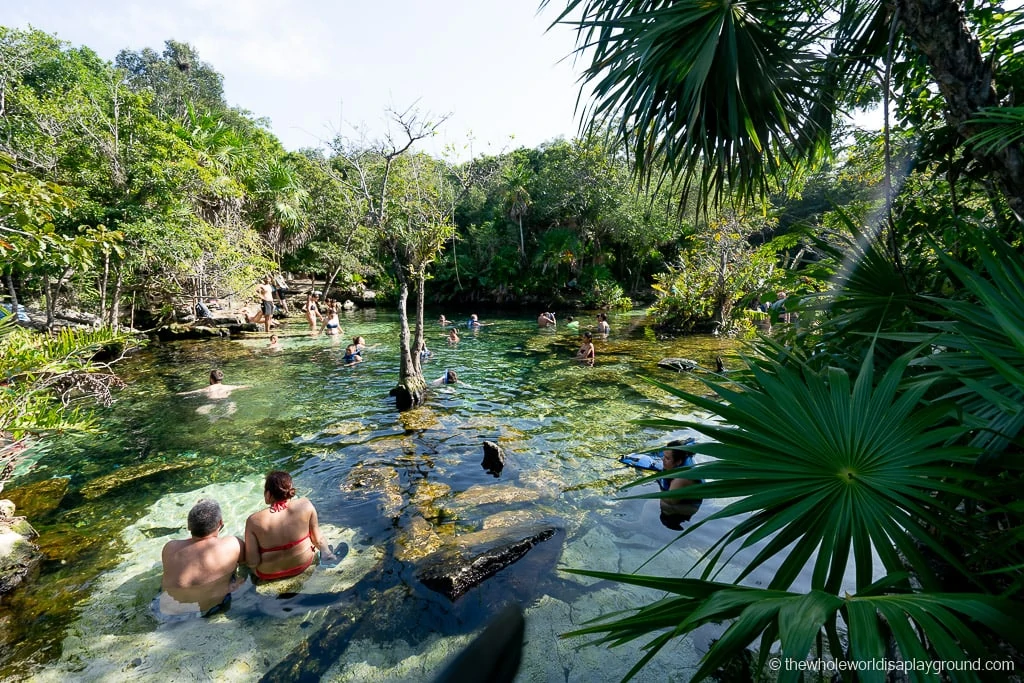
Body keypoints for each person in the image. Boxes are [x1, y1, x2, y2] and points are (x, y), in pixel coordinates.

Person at [159, 499, 245, 616]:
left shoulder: (170, 547)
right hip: (209, 611)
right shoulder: (233, 544)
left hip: (166, 612)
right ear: (220, 523)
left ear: (189, 526)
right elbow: (247, 564)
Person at [244, 471, 334, 582]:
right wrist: (327, 552)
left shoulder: (253, 521)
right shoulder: (305, 505)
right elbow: (317, 540)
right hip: (303, 564)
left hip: (267, 573)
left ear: (268, 494)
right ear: (291, 490)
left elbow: (253, 562)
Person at [658, 439, 703, 524]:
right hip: (684, 498)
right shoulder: (684, 455)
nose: (662, 459)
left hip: (690, 507)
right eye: (663, 456)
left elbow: (669, 501)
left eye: (667, 458)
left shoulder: (681, 479)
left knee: (660, 505)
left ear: (678, 462)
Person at [177, 369, 250, 400]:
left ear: (211, 379)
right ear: (221, 378)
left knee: (201, 410)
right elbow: (241, 387)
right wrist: (249, 386)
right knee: (231, 406)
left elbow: (193, 392)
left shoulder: (208, 388)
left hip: (213, 401)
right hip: (225, 399)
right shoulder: (228, 387)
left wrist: (179, 394)